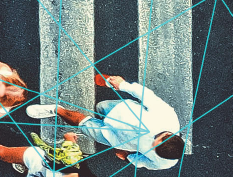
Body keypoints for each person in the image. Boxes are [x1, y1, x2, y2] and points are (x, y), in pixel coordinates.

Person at [25, 73, 184, 170]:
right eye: (155, 140)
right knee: (100, 107)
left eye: (153, 148)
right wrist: (123, 85)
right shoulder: (167, 116)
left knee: (83, 124)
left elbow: (144, 162)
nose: (151, 143)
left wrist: (129, 157)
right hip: (120, 111)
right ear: (169, 134)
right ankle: (113, 81)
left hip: (113, 138)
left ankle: (56, 110)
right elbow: (147, 96)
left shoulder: (165, 162)